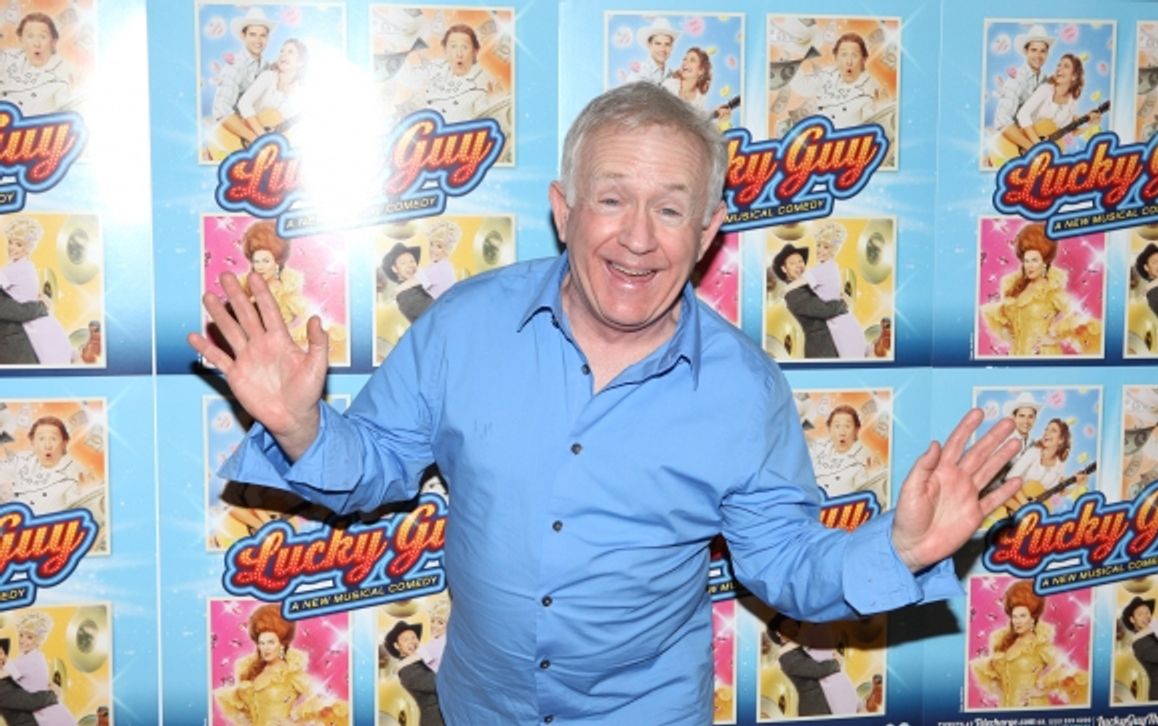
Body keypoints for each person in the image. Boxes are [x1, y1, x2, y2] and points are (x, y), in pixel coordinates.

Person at [189, 81, 1023, 724]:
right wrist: (299, 425)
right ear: (564, 209)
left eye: (670, 209)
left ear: (707, 234)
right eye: (613, 198)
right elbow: (376, 467)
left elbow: (787, 565)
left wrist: (901, 547)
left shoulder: (744, 389)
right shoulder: (463, 326)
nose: (637, 237)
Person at [982, 222, 1099, 356]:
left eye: (1034, 260)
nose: (1029, 266)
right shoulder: (1016, 289)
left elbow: (1077, 317)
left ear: (1044, 262)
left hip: (1042, 354)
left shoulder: (1050, 290)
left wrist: (1053, 339)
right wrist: (1010, 335)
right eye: (1026, 261)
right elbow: (1003, 320)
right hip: (1017, 354)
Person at [214, 603, 338, 724]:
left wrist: (295, 716)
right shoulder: (251, 671)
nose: (265, 648)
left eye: (270, 642)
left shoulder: (290, 673)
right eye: (261, 643)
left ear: (282, 644)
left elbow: (321, 698)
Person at [971, 580, 1076, 708]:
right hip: (1006, 708)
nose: (1017, 621)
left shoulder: (1038, 644)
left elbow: (1064, 667)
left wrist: (1041, 689)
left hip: (1031, 707)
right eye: (1014, 616)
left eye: (1022, 616)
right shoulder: (1004, 643)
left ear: (1032, 618)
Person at [0, 217, 73, 365]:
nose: (12, 248)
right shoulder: (26, 266)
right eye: (10, 242)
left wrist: (41, 304)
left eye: (19, 245)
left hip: (29, 323)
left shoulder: (17, 269)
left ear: (27, 248)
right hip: (32, 318)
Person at [395, 24, 495, 123]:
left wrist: (492, 101)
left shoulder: (484, 83)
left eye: (465, 47)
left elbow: (486, 119)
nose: (459, 53)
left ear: (475, 51)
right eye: (453, 46)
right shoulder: (437, 66)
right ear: (445, 50)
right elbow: (408, 78)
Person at [222, 38, 307, 146]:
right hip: (242, 133)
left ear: (300, 62)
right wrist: (262, 136)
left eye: (290, 52)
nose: (283, 55)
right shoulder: (268, 76)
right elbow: (244, 103)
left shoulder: (300, 93)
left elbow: (289, 124)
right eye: (282, 51)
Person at [767, 615, 856, 716]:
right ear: (779, 633)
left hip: (829, 700)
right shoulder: (787, 657)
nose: (792, 627)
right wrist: (836, 662)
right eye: (786, 626)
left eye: (793, 624)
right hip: (815, 707)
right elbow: (818, 670)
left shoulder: (802, 646)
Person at [772, 243, 848, 358]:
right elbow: (825, 310)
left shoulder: (809, 285)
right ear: (784, 269)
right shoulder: (793, 294)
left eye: (800, 261)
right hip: (822, 350)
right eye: (792, 263)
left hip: (833, 345)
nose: (799, 266)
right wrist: (844, 303)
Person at [237, 221, 308, 345]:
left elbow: (304, 317)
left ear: (277, 262)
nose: (260, 267)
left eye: (265, 261)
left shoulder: (287, 290)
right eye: (256, 261)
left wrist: (285, 331)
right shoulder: (243, 287)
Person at [999, 418, 1089, 516]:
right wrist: (1026, 505)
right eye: (1046, 429)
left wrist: (1077, 483)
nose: (1046, 433)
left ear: (1061, 440)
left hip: (1031, 512)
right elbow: (1010, 479)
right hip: (1011, 503)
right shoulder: (1033, 453)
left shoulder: (1059, 464)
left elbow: (1057, 491)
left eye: (1053, 430)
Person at [805, 221, 868, 358]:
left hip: (838, 323)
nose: (820, 250)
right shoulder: (832, 266)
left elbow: (797, 285)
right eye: (819, 245)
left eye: (826, 247)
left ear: (834, 250)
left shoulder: (821, 270)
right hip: (842, 319)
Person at [0, 417, 85, 515]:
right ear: (32, 442)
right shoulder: (22, 459)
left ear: (64, 443)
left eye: (53, 439)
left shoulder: (75, 475)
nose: (47, 445)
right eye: (41, 439)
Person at [5, 612, 75, 725]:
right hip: (52, 713)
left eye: (29, 637)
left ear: (38, 640)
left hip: (51, 717)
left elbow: (3, 673)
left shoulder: (27, 660)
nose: (22, 640)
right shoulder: (35, 656)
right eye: (21, 635)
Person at [1010, 53, 1089, 153]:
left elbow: (1064, 131)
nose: (1059, 68)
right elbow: (1022, 114)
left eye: (1066, 66)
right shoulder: (1046, 90)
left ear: (1074, 76)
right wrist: (1037, 144)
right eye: (1059, 65)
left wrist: (1088, 123)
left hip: (1044, 151)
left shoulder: (1072, 102)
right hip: (1022, 143)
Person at [0, 12, 74, 116]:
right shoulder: (8, 58)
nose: (37, 44)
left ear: (53, 42)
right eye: (30, 36)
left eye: (43, 37)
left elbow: (68, 114)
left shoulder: (62, 72)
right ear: (21, 40)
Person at [993, 25, 1053, 151]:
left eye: (1042, 51)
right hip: (1013, 146)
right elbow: (1001, 120)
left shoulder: (1045, 81)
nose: (1038, 55)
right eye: (1034, 50)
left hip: (1032, 139)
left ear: (1047, 53)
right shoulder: (1017, 79)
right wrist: (1032, 148)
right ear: (1026, 51)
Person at [210, 7, 273, 121]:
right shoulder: (235, 65)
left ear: (268, 38)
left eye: (262, 35)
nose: (258, 40)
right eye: (253, 34)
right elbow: (221, 109)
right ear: (243, 36)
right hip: (239, 131)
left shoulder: (267, 67)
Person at [809, 405, 876, 500]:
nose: (842, 432)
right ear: (829, 428)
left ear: (856, 429)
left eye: (847, 426)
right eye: (837, 426)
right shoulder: (817, 449)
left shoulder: (865, 458)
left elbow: (868, 494)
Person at [384, 619, 443, 726]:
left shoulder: (425, 660)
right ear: (397, 646)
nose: (412, 641)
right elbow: (436, 683)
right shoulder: (406, 670)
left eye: (414, 637)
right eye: (406, 640)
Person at [0, 637, 57, 726]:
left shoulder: (11, 676)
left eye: (1, 653)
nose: (0, 658)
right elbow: (31, 702)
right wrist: (53, 694)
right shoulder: (1, 688)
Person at [381, 242, 433, 324]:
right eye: (403, 263)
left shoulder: (420, 283)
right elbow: (437, 310)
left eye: (412, 261)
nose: (410, 265)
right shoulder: (405, 295)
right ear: (395, 269)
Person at [627, 17, 678, 86]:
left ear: (671, 47)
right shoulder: (638, 73)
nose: (662, 49)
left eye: (667, 44)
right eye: (658, 43)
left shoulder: (673, 76)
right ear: (649, 45)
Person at [416, 220, 460, 300]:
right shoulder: (444, 265)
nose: (433, 249)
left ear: (448, 249)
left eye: (439, 246)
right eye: (431, 244)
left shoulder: (440, 268)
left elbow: (411, 284)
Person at [663, 47, 712, 115]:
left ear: (701, 70)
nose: (685, 63)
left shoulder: (700, 99)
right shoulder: (669, 85)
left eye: (692, 60)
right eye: (684, 59)